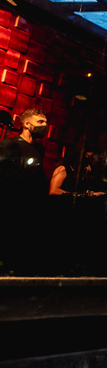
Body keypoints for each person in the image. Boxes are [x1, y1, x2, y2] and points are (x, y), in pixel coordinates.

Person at [0, 108, 52, 273]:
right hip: (8, 204)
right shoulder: (10, 144)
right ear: (27, 124)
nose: (45, 125)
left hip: (29, 206)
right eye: (40, 122)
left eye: (45, 122)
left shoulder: (39, 149)